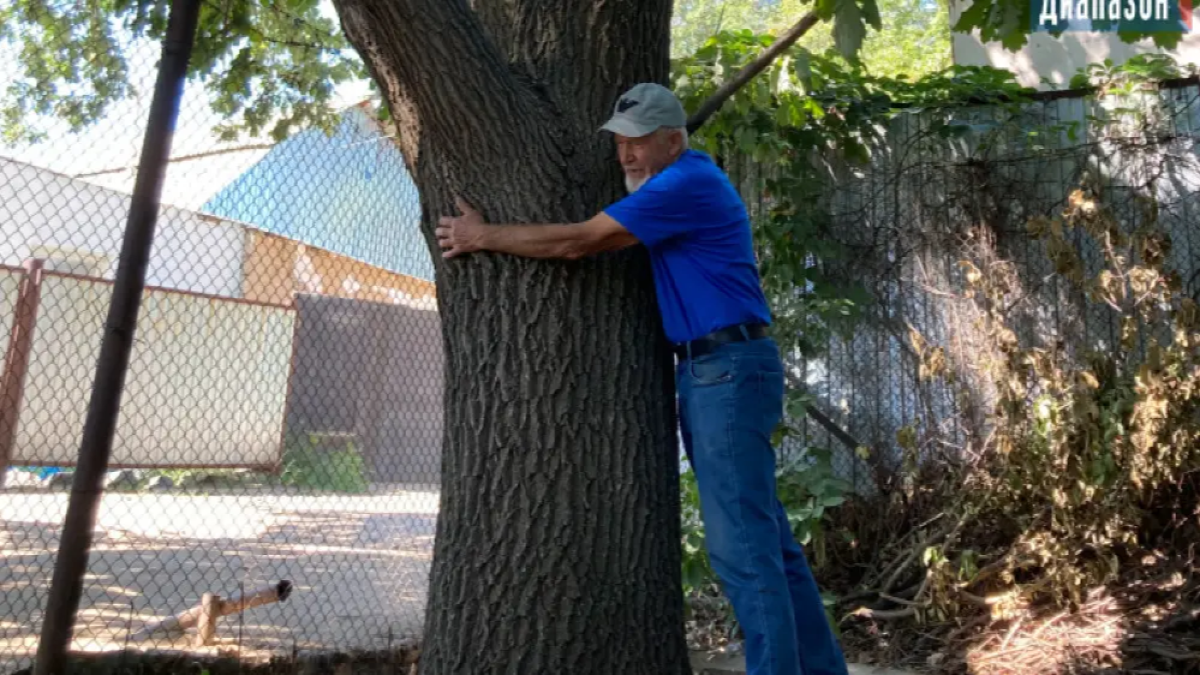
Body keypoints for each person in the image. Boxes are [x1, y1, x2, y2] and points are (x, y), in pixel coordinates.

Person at [435, 82, 848, 675]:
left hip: (724, 373)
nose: (626, 156)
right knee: (768, 546)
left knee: (740, 553)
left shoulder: (684, 184)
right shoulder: (681, 183)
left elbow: (580, 241)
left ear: (674, 140)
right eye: (620, 144)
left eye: (638, 143)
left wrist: (482, 236)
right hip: (725, 369)